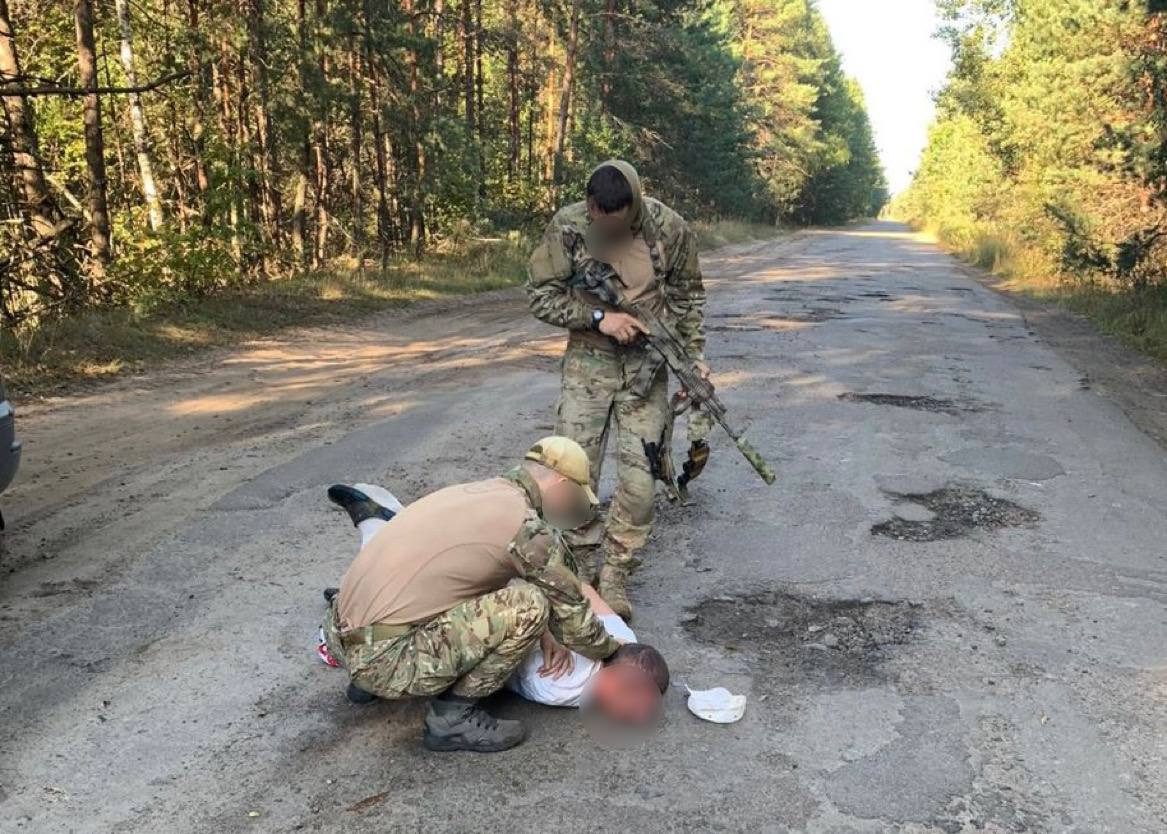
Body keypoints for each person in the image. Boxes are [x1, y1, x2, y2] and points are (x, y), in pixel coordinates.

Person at [319, 437, 643, 753]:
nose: (572, 508)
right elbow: (576, 623)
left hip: (340, 633)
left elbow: (463, 578)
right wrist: (616, 652)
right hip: (384, 661)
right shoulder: (528, 528)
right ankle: (452, 719)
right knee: (530, 606)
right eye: (573, 498)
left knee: (464, 581)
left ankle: (365, 683)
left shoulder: (478, 492)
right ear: (560, 485)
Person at [526, 159, 710, 619]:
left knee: (640, 485)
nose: (605, 226)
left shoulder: (669, 228)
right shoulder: (569, 226)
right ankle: (583, 566)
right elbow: (540, 295)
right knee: (569, 476)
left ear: (634, 207)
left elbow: (689, 298)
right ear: (589, 205)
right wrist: (598, 318)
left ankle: (616, 574)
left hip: (646, 371)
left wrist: (695, 359)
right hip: (588, 365)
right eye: (599, 218)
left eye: (616, 222)